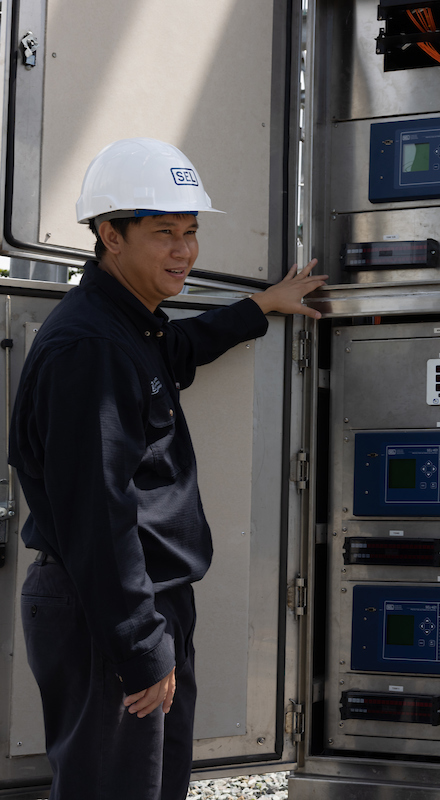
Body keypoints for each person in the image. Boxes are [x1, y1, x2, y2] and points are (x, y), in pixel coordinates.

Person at [9, 137, 327, 800]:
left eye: (190, 232)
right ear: (108, 235)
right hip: (107, 611)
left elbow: (180, 349)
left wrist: (261, 306)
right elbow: (99, 512)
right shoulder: (88, 347)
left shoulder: (131, 326)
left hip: (142, 606)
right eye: (163, 233)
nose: (184, 250)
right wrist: (138, 645)